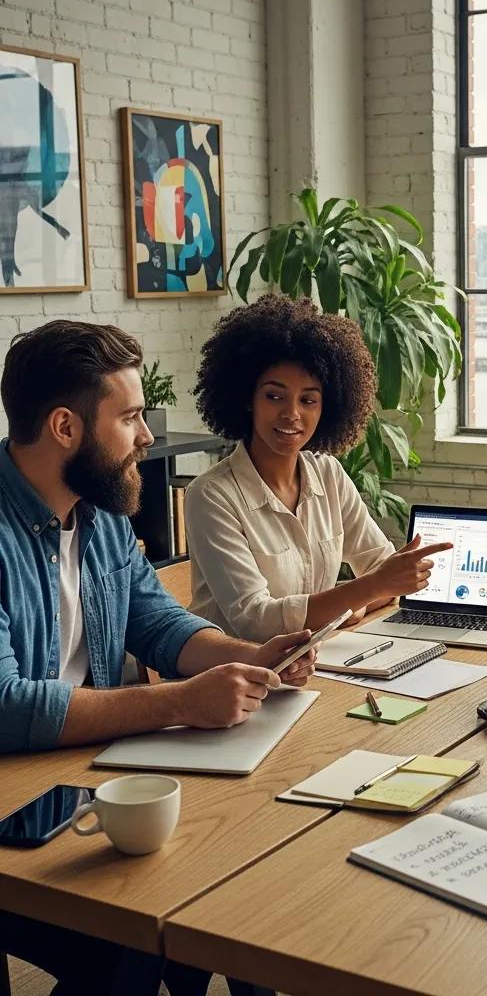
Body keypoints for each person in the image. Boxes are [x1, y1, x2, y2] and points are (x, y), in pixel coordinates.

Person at [0, 320, 318, 993]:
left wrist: (251, 654)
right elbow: (5, 705)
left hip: (79, 772)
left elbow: (156, 621)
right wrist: (177, 702)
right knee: (134, 939)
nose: (146, 437)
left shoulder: (101, 512)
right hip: (16, 795)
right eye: (132, 417)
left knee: (234, 878)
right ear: (65, 427)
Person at [185, 295, 451, 642]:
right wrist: (364, 592)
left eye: (308, 400)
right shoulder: (211, 496)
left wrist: (358, 600)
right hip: (235, 677)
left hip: (316, 667)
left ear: (329, 407)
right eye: (274, 396)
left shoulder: (329, 474)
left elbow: (383, 574)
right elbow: (254, 621)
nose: (292, 414)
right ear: (246, 399)